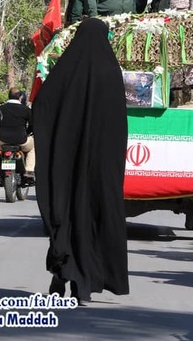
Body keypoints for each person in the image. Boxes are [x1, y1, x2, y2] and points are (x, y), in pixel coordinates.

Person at [34, 17, 129, 303]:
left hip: (65, 164)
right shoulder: (111, 72)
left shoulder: (66, 70)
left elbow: (42, 106)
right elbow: (118, 126)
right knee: (92, 216)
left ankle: (61, 271)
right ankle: (83, 281)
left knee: (64, 212)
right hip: (99, 167)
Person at [0, 87, 35, 180]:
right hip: (22, 141)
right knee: (33, 146)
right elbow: (32, 124)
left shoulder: (0, 109)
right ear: (20, 97)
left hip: (2, 141)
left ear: (8, 96)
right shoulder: (26, 109)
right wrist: (27, 133)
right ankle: (29, 170)